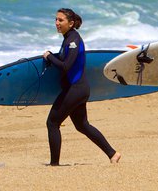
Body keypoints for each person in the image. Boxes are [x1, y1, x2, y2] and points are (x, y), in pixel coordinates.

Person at [43, 8, 121, 166]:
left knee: (52, 122)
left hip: (75, 89)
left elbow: (66, 66)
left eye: (61, 20)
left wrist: (49, 56)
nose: (57, 23)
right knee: (82, 125)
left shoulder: (73, 40)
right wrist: (53, 57)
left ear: (71, 23)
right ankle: (113, 154)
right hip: (78, 89)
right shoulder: (68, 38)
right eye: (56, 20)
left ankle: (54, 164)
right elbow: (67, 61)